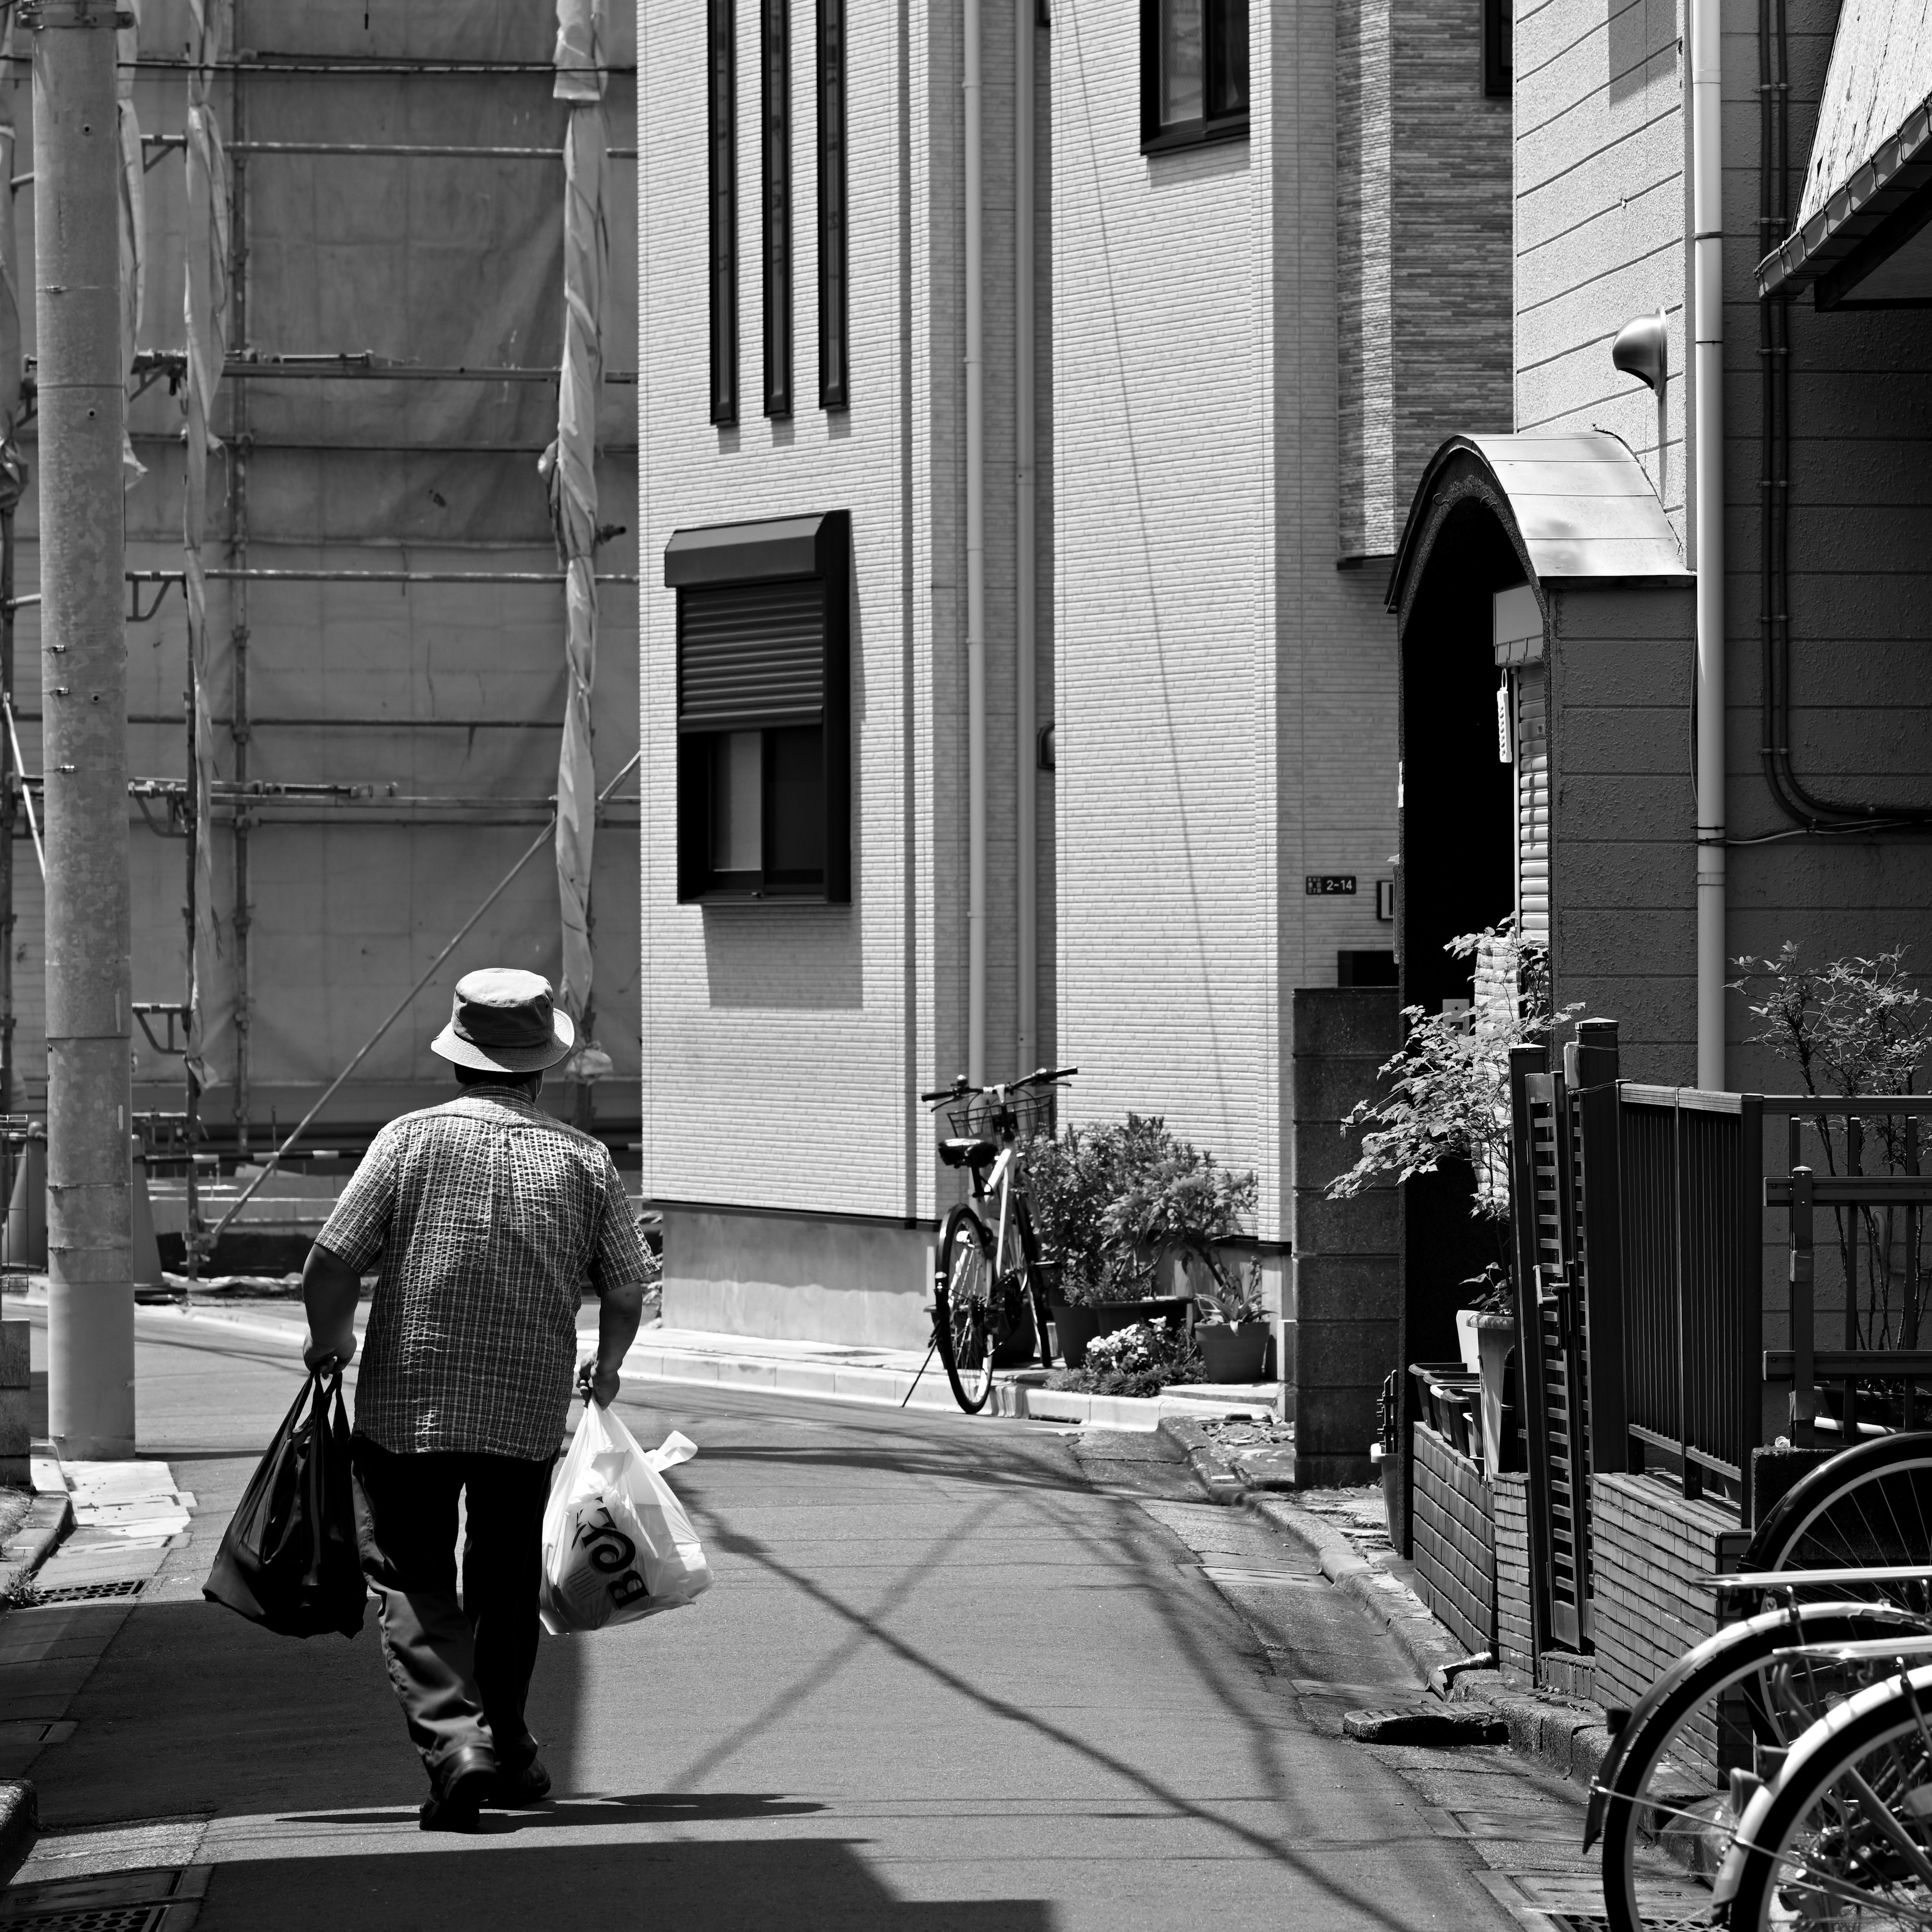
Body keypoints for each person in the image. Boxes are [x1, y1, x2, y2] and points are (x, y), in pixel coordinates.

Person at [300, 967, 651, 1831]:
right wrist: (605, 1370)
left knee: (413, 1577)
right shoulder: (583, 1159)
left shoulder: (406, 1142)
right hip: (524, 1412)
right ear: (540, 1068)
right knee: (501, 1580)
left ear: (459, 1059)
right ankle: (512, 1743)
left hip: (405, 1404)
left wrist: (331, 1343)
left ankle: (458, 1746)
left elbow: (333, 1260)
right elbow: (626, 1287)